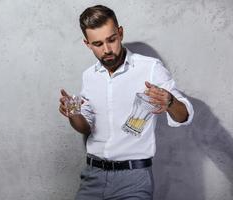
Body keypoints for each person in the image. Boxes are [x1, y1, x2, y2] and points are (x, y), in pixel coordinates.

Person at [59, 5, 194, 200]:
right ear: (87, 44)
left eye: (111, 40)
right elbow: (86, 127)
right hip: (92, 177)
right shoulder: (88, 76)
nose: (107, 50)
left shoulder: (150, 68)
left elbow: (185, 115)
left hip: (134, 179)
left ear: (120, 33)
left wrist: (170, 101)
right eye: (97, 44)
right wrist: (73, 114)